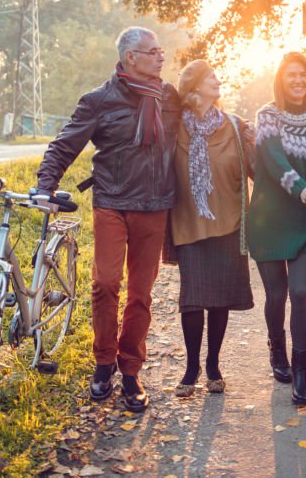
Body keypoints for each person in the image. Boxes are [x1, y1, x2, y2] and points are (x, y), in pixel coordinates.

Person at [34, 27, 180, 413]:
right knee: (105, 283)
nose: (161, 57)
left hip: (154, 206)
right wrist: (45, 185)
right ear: (131, 57)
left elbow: (195, 133)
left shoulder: (169, 98)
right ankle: (103, 363)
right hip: (112, 201)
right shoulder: (99, 100)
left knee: (141, 294)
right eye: (153, 52)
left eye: (161, 51)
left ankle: (130, 370)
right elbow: (65, 144)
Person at [247, 52, 306, 406]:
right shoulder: (267, 116)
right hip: (269, 218)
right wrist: (300, 188)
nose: (298, 81)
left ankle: (302, 367)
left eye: (303, 75)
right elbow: (273, 160)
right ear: (281, 80)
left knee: (301, 292)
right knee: (276, 295)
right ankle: (277, 349)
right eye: (291, 76)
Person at [169, 60, 255, 397]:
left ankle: (213, 364)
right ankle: (191, 367)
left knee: (219, 299)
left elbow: (256, 169)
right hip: (188, 222)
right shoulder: (175, 127)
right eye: (210, 78)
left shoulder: (234, 126)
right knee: (192, 298)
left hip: (229, 222)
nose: (218, 81)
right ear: (193, 89)